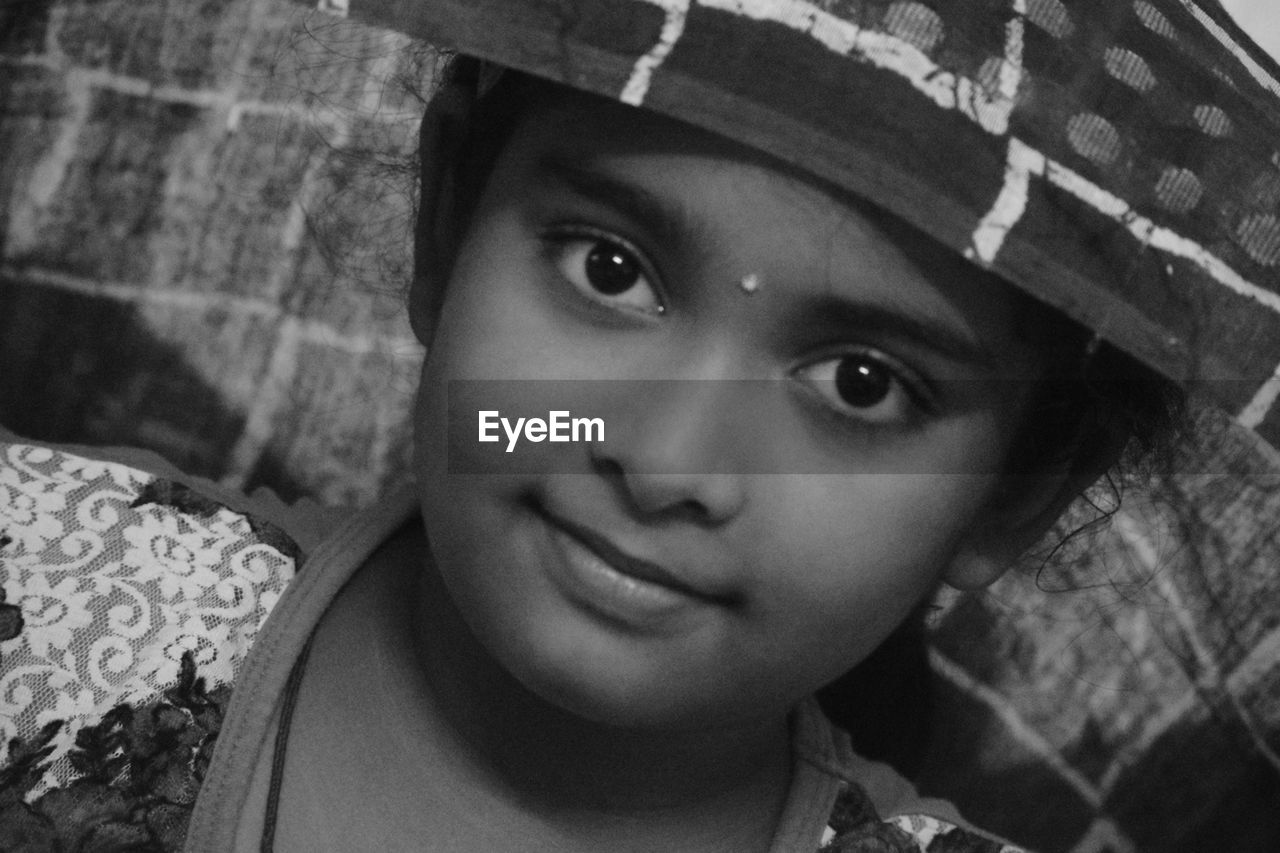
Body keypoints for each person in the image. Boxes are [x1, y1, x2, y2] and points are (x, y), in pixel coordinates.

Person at [1, 0, 1276, 850]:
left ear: (1015, 493)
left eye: (861, 384)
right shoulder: (39, 594)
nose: (663, 461)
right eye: (608, 270)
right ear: (446, 223)